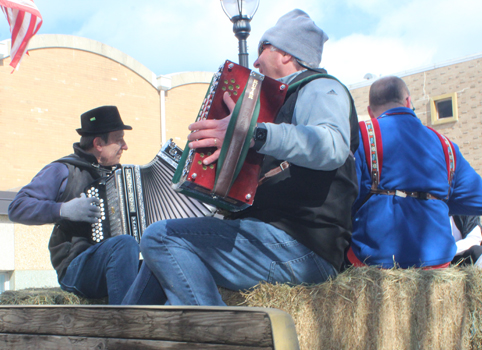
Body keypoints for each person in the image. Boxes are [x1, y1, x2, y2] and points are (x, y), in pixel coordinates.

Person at [122, 9, 359, 306]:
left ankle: (218, 340)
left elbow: (332, 146)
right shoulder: (276, 105)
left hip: (302, 247)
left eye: (263, 49)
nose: (256, 61)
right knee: (155, 260)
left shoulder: (321, 87)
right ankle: (112, 342)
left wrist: (253, 134)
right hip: (272, 239)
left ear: (287, 54)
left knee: (161, 238)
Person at [348, 76, 482, 269]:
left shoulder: (361, 135)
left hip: (371, 264)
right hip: (436, 266)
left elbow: (343, 198)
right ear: (408, 101)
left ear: (369, 111)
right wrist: (435, 201)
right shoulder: (446, 145)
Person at [8, 106, 140, 304]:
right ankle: (125, 328)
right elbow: (18, 207)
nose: (125, 146)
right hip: (76, 266)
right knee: (124, 244)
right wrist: (63, 210)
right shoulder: (63, 170)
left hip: (116, 262)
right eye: (119, 139)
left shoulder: (121, 177)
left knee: (161, 262)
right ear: (98, 143)